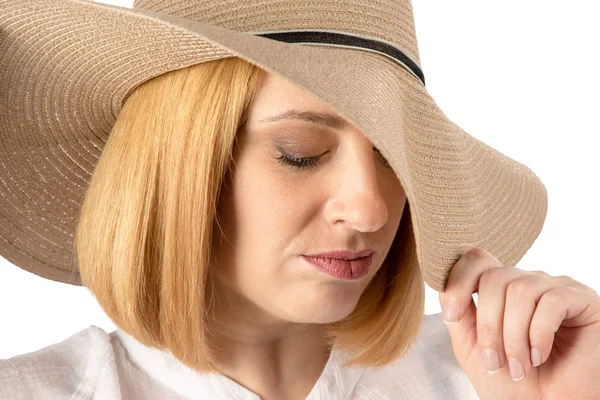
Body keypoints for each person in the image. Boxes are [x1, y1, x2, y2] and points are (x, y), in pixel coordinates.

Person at [1, 1, 598, 399]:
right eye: (300, 151)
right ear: (178, 167)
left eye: (393, 156)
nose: (371, 210)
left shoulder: (491, 377)